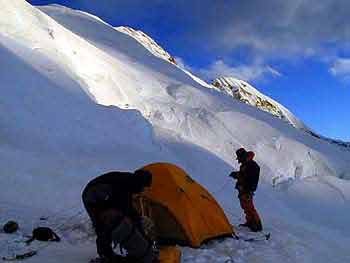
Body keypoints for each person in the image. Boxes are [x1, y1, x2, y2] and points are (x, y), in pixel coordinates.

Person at [82, 169, 154, 263]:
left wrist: (144, 237)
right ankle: (105, 255)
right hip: (92, 197)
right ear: (139, 183)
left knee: (112, 220)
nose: (143, 190)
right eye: (143, 187)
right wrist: (144, 237)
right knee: (102, 225)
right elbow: (126, 209)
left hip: (102, 197)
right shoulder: (124, 185)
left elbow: (130, 211)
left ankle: (106, 253)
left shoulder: (129, 182)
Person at [229, 148, 263, 232]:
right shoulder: (246, 164)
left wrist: (237, 176)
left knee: (249, 207)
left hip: (247, 189)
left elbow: (248, 178)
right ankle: (250, 222)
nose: (239, 160)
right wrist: (237, 175)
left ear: (243, 156)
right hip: (243, 189)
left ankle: (257, 225)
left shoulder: (251, 165)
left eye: (239, 158)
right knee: (245, 207)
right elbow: (244, 175)